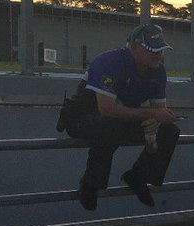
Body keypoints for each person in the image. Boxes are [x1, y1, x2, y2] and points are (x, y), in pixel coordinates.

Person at [62, 23, 180, 210]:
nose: (159, 55)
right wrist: (152, 114)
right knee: (109, 127)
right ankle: (91, 183)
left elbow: (159, 110)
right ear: (133, 48)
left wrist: (156, 121)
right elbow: (106, 109)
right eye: (153, 50)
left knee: (169, 130)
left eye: (161, 50)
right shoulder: (108, 62)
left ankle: (139, 176)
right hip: (83, 118)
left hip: (119, 118)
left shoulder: (158, 70)